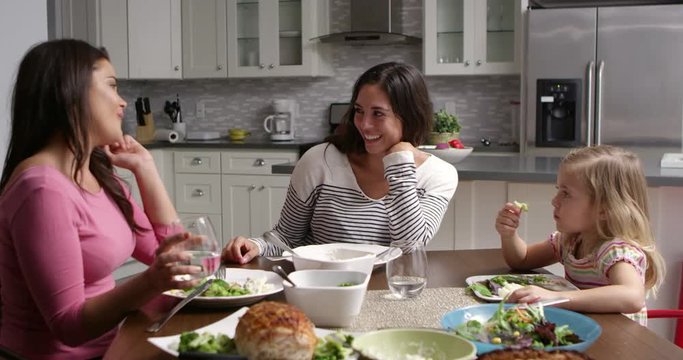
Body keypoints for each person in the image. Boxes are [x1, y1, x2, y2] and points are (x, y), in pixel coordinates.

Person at [0, 39, 203, 359]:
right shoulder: (41, 190)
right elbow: (68, 326)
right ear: (70, 94)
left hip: (113, 345)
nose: (123, 102)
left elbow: (165, 253)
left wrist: (146, 169)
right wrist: (151, 282)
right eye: (111, 86)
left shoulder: (95, 171)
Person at [222, 62, 458, 263]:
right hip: (319, 284)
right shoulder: (319, 160)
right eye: (358, 111)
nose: (364, 124)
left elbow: (409, 248)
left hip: (388, 290)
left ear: (410, 116)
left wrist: (399, 164)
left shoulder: (439, 175)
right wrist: (255, 246)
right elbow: (286, 237)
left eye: (378, 113)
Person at [494, 145, 666, 325]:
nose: (554, 201)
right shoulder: (570, 240)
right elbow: (523, 260)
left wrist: (556, 298)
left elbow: (632, 297)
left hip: (619, 344)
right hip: (588, 330)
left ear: (604, 209)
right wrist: (509, 235)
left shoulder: (615, 251)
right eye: (558, 189)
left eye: (566, 194)